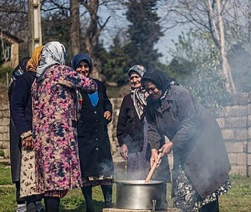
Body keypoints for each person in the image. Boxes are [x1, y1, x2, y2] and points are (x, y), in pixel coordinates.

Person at [142, 69, 231, 212]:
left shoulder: (180, 94)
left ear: (160, 84)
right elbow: (152, 127)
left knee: (205, 183)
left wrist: (172, 144)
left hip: (202, 140)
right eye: (147, 90)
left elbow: (190, 124)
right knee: (183, 188)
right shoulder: (151, 103)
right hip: (181, 142)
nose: (150, 92)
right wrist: (154, 150)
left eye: (152, 88)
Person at [31, 41, 98, 212]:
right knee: (56, 181)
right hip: (58, 137)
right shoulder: (61, 72)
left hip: (41, 138)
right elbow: (91, 86)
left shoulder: (37, 80)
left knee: (49, 183)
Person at [71, 53, 114, 211]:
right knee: (86, 172)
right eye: (79, 66)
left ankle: (108, 204)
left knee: (106, 170)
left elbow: (106, 101)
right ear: (74, 68)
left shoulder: (98, 85)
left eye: (86, 66)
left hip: (100, 134)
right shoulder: (73, 87)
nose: (83, 69)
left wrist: (108, 110)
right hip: (84, 136)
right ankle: (90, 206)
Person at [116, 65, 170, 182]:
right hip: (135, 143)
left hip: (153, 140)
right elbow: (121, 124)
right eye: (131, 78)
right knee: (136, 176)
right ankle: (137, 198)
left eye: (137, 77)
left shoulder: (153, 95)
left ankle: (159, 199)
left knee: (156, 172)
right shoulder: (128, 99)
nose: (134, 80)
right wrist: (123, 143)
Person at [9, 53, 44, 212]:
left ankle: (36, 202)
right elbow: (16, 105)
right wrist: (25, 131)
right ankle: (22, 205)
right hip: (21, 128)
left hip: (32, 128)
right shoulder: (22, 80)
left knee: (35, 168)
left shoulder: (38, 80)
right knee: (21, 168)